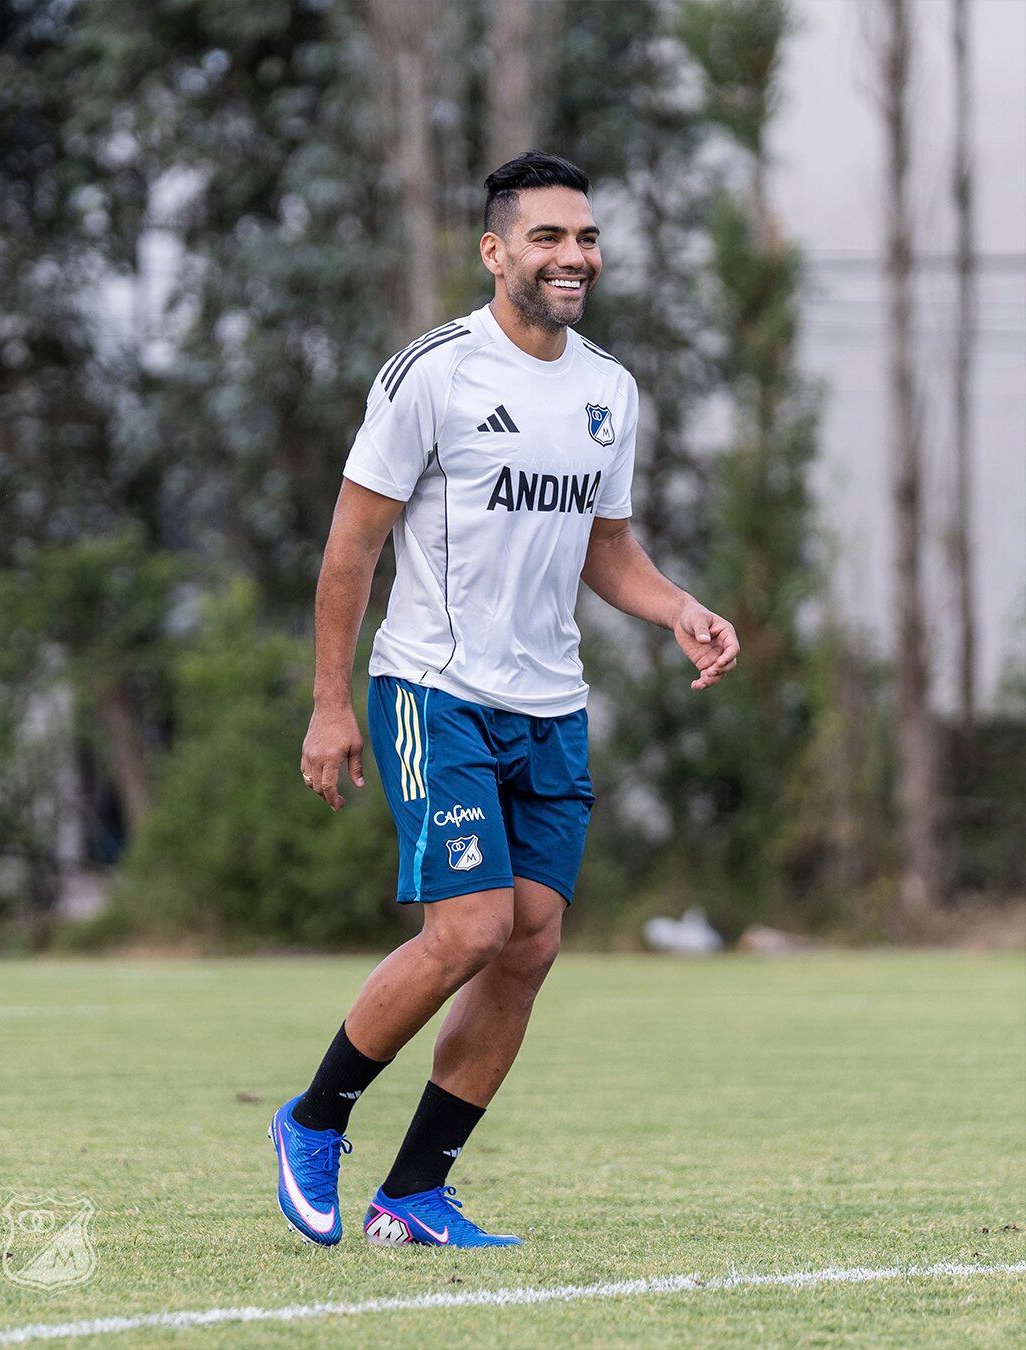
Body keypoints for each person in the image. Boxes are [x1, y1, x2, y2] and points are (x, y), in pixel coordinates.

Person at [270, 151, 739, 1249]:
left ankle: (413, 1193)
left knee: (529, 945)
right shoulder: (431, 373)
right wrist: (330, 704)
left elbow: (606, 547)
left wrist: (677, 608)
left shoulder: (609, 390)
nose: (575, 257)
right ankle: (314, 1117)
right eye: (548, 238)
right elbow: (352, 547)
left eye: (586, 238)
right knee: (472, 928)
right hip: (435, 691)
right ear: (495, 252)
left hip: (552, 706)